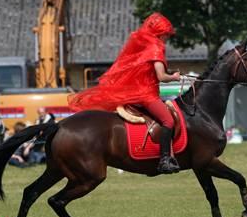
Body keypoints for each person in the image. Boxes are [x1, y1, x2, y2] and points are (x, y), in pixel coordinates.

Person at [69, 12, 181, 174]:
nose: (167, 38)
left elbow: (150, 71)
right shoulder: (157, 48)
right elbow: (161, 76)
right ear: (161, 33)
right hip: (147, 95)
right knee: (168, 121)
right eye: (167, 35)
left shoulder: (147, 47)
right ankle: (164, 159)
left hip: (142, 92)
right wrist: (174, 77)